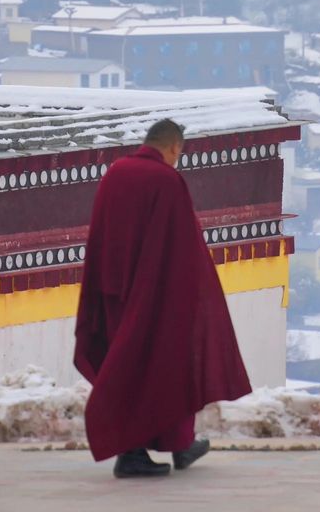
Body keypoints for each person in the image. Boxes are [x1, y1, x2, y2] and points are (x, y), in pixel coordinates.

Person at [74, 118, 252, 477]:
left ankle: (179, 445)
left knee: (132, 367)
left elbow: (100, 236)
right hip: (154, 295)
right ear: (174, 147)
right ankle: (136, 453)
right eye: (178, 154)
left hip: (112, 292)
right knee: (165, 367)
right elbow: (182, 248)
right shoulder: (166, 180)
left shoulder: (116, 173)